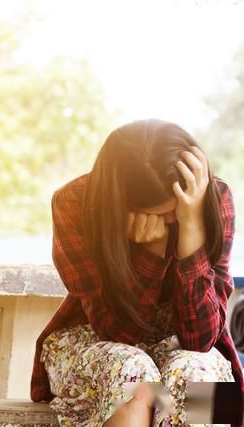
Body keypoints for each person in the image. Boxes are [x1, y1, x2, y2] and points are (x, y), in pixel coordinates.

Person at [30, 119, 243, 426]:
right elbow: (116, 331)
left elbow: (202, 339)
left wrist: (192, 230)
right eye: (162, 215)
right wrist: (153, 253)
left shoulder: (213, 198)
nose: (172, 221)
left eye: (176, 213)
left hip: (184, 347)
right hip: (95, 341)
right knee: (135, 376)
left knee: (198, 374)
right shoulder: (75, 202)